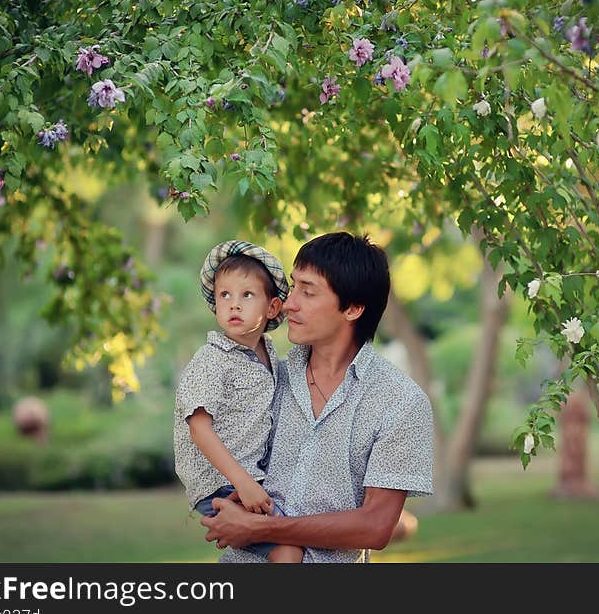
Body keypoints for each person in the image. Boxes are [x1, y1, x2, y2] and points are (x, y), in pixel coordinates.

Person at [202, 231, 434, 563]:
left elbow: (377, 526)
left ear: (353, 308)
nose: (289, 302)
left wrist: (260, 529)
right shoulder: (265, 380)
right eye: (294, 286)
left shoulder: (400, 402)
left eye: (307, 292)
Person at [174, 240, 303, 563]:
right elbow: (200, 428)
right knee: (288, 551)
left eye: (247, 295)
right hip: (221, 483)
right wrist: (243, 484)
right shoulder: (212, 359)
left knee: (302, 528)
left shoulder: (270, 354)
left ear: (272, 308)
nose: (234, 305)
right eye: (224, 295)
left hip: (251, 477)